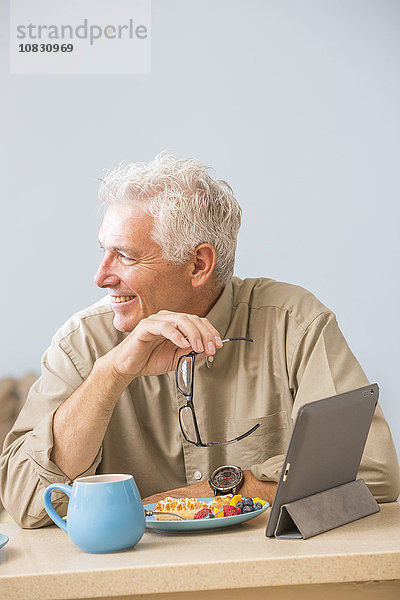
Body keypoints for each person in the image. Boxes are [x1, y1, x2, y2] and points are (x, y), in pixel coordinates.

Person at [1, 154, 399, 528]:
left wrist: (205, 495)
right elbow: (27, 502)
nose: (101, 276)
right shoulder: (82, 342)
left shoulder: (294, 324)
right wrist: (111, 373)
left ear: (198, 265)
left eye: (124, 256)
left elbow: (373, 472)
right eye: (104, 251)